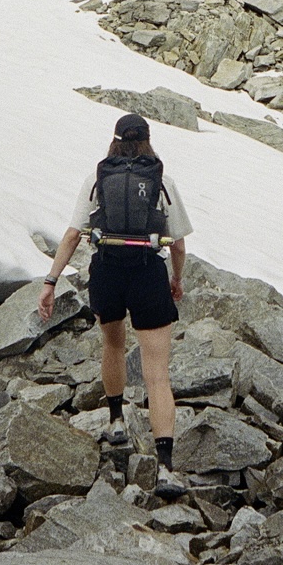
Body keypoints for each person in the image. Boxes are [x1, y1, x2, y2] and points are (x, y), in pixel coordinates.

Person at [37, 113, 192, 496]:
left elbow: (74, 232)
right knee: (157, 373)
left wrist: (51, 281)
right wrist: (176, 278)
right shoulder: (161, 180)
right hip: (147, 273)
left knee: (113, 344)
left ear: (115, 140)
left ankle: (117, 421)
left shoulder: (98, 178)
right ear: (148, 140)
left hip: (107, 271)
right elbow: (179, 243)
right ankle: (166, 467)